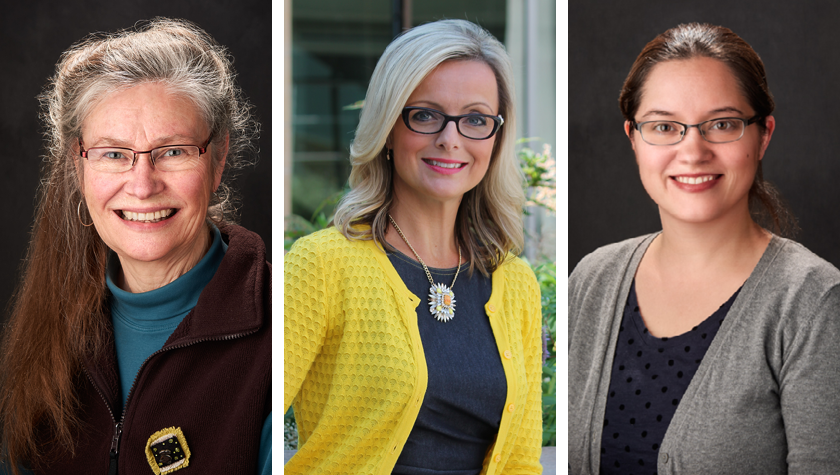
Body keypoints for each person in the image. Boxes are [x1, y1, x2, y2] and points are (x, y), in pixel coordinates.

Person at [0, 19, 271, 474]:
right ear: (77, 164)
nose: (142, 186)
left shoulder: (281, 319)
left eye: (173, 151)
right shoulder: (50, 327)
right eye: (113, 153)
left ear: (218, 158)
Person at [568, 23, 840, 474]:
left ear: (763, 134)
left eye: (722, 125)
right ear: (633, 138)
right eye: (664, 126)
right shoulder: (592, 279)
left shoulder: (815, 302)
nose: (692, 152)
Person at [284, 19, 543, 475]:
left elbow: (521, 461)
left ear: (497, 137)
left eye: (476, 120)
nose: (451, 138)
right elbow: (245, 423)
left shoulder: (515, 282)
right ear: (388, 127)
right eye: (424, 114)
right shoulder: (322, 266)